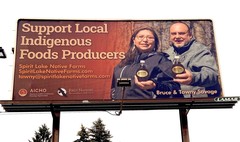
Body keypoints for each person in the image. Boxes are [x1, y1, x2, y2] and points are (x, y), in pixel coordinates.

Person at [111, 27, 182, 99]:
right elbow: (115, 86)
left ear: (155, 42)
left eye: (150, 37)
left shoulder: (161, 60)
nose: (145, 40)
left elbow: (174, 87)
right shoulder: (125, 62)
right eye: (141, 37)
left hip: (146, 107)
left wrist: (155, 85)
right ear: (134, 40)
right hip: (121, 107)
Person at [164, 21, 221, 98]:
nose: (177, 36)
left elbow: (212, 75)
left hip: (196, 100)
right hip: (173, 99)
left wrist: (193, 78)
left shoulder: (200, 50)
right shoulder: (167, 53)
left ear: (190, 35)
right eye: (174, 34)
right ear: (170, 36)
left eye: (181, 33)